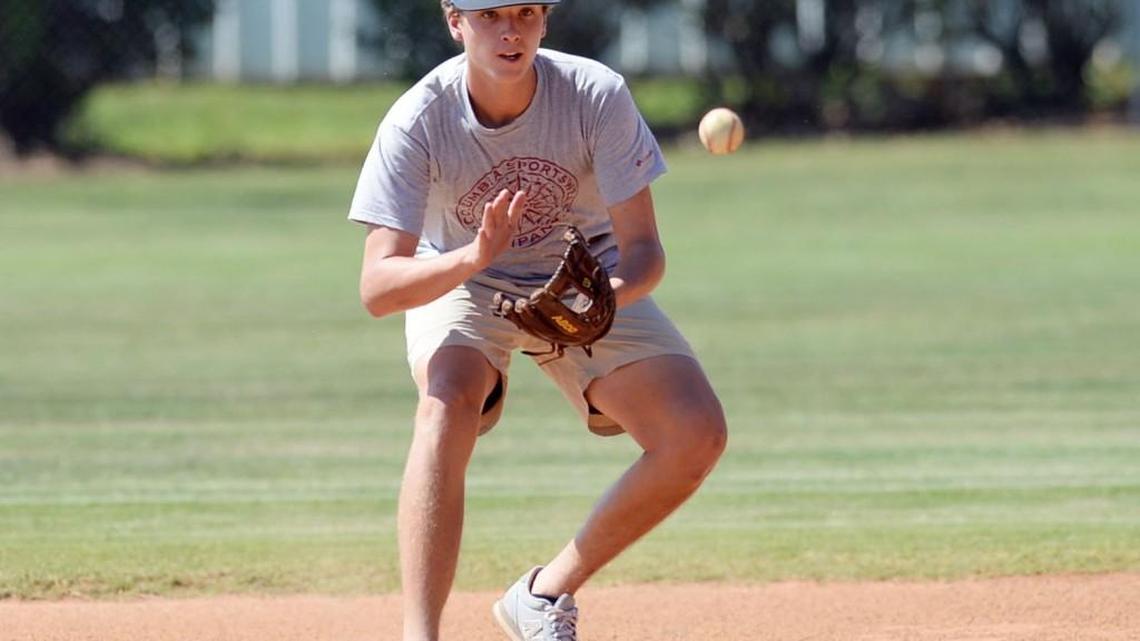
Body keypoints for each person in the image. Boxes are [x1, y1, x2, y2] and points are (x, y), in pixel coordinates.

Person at [348, 1, 727, 640]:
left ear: (545, 20)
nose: (510, 30)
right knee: (446, 403)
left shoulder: (593, 93)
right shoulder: (420, 118)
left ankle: (541, 594)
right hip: (466, 275)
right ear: (454, 22)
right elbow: (378, 288)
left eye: (526, 11)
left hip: (585, 275)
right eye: (490, 14)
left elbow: (644, 252)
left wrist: (601, 301)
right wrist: (474, 256)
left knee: (696, 433)